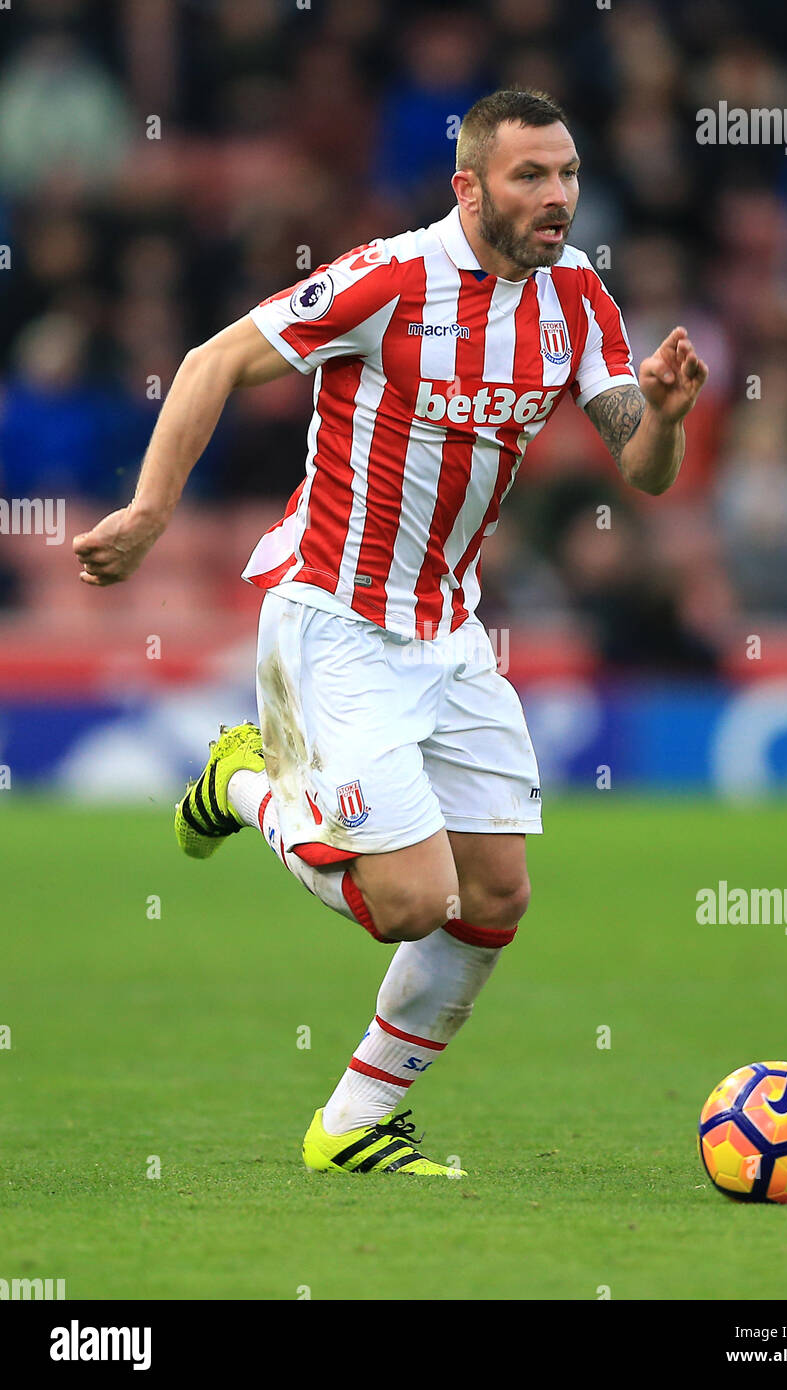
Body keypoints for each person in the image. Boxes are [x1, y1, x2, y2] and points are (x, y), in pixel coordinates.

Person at [73, 89, 708, 1176]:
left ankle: (355, 1118)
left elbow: (642, 476)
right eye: (528, 177)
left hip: (448, 631)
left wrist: (660, 414)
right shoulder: (389, 277)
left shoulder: (577, 298)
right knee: (411, 901)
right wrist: (147, 512)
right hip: (333, 617)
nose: (556, 197)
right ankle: (241, 783)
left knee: (496, 892)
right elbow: (212, 360)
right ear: (468, 185)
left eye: (565, 174)